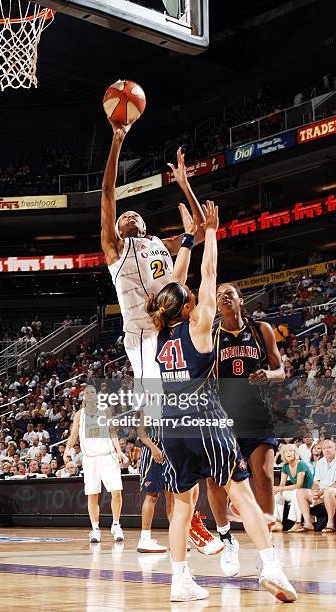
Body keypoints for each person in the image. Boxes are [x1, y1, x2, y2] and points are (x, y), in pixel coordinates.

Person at [147, 201, 296, 603]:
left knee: (182, 507)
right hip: (206, 421)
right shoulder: (199, 327)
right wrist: (210, 232)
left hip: (171, 428)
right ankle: (272, 568)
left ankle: (180, 582)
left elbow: (172, 289)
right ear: (190, 305)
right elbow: (208, 274)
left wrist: (187, 241)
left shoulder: (160, 334)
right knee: (241, 494)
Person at [101, 122, 217, 554]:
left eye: (136, 214)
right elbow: (109, 192)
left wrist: (185, 185)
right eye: (124, 215)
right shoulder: (115, 248)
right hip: (143, 341)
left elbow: (201, 231)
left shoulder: (158, 246)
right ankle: (191, 520)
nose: (129, 214)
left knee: (182, 422)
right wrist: (116, 142)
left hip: (170, 332)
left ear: (145, 224)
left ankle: (193, 514)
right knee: (166, 424)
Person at [207, 282, 285, 576]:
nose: (224, 298)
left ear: (241, 300)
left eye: (230, 293)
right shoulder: (212, 336)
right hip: (223, 418)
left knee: (264, 478)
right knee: (215, 483)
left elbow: (281, 370)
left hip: (256, 415)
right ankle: (227, 540)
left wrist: (269, 375)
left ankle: (267, 549)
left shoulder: (260, 330)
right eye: (219, 296)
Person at [65, 385, 125, 543]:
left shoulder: (104, 410)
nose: (90, 395)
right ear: (84, 397)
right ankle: (95, 529)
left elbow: (112, 432)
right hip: (90, 459)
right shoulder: (80, 415)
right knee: (93, 495)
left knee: (116, 492)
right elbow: (73, 435)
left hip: (108, 456)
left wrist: (119, 451)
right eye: (87, 393)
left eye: (93, 392)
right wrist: (66, 451)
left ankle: (116, 525)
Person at [296, 438, 336, 532]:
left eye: (329, 447)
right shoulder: (320, 462)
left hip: (332, 491)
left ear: (335, 448)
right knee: (301, 492)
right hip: (322, 492)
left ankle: (330, 524)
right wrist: (315, 492)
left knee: (328, 491)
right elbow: (316, 482)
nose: (326, 450)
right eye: (324, 448)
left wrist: (321, 492)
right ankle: (308, 523)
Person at [272, 444, 313, 532]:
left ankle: (297, 523)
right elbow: (282, 484)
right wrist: (276, 489)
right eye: (286, 452)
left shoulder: (301, 464)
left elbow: (299, 485)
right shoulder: (285, 466)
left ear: (295, 453)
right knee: (278, 495)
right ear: (283, 455)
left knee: (296, 492)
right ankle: (277, 522)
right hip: (298, 491)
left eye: (291, 451)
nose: (288, 453)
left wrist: (280, 488)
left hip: (308, 492)